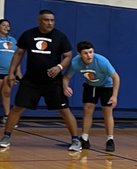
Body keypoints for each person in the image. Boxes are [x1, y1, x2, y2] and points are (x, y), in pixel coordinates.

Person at [0, 8, 81, 152]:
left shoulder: (60, 37)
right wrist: (12, 72)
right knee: (17, 108)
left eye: (52, 20)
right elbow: (18, 54)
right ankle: (6, 137)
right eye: (46, 20)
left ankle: (76, 140)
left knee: (64, 110)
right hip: (31, 81)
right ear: (39, 21)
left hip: (53, 82)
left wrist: (59, 67)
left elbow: (68, 55)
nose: (50, 23)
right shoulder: (28, 35)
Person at [63, 41, 120, 151]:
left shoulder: (102, 61)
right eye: (85, 53)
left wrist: (114, 96)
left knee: (107, 111)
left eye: (91, 52)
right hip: (91, 86)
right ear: (79, 54)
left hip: (106, 86)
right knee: (87, 110)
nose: (89, 55)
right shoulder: (75, 62)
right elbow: (66, 77)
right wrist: (66, 87)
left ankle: (110, 139)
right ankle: (84, 138)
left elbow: (116, 77)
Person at [0, 18, 18, 122]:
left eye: (8, 25)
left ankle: (7, 116)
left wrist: (17, 71)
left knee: (6, 93)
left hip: (9, 73)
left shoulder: (13, 40)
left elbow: (17, 56)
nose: (7, 27)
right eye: (4, 25)